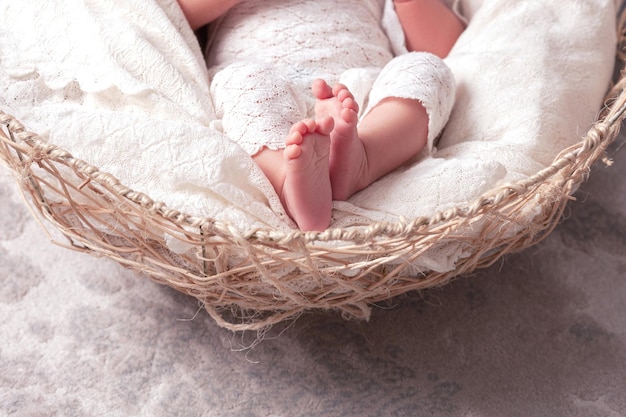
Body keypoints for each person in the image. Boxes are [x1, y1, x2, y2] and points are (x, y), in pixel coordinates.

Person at [177, 0, 464, 231]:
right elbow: (177, 13)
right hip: (268, 94)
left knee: (428, 68)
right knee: (239, 81)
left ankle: (363, 159)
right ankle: (289, 182)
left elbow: (446, 47)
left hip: (365, 105)